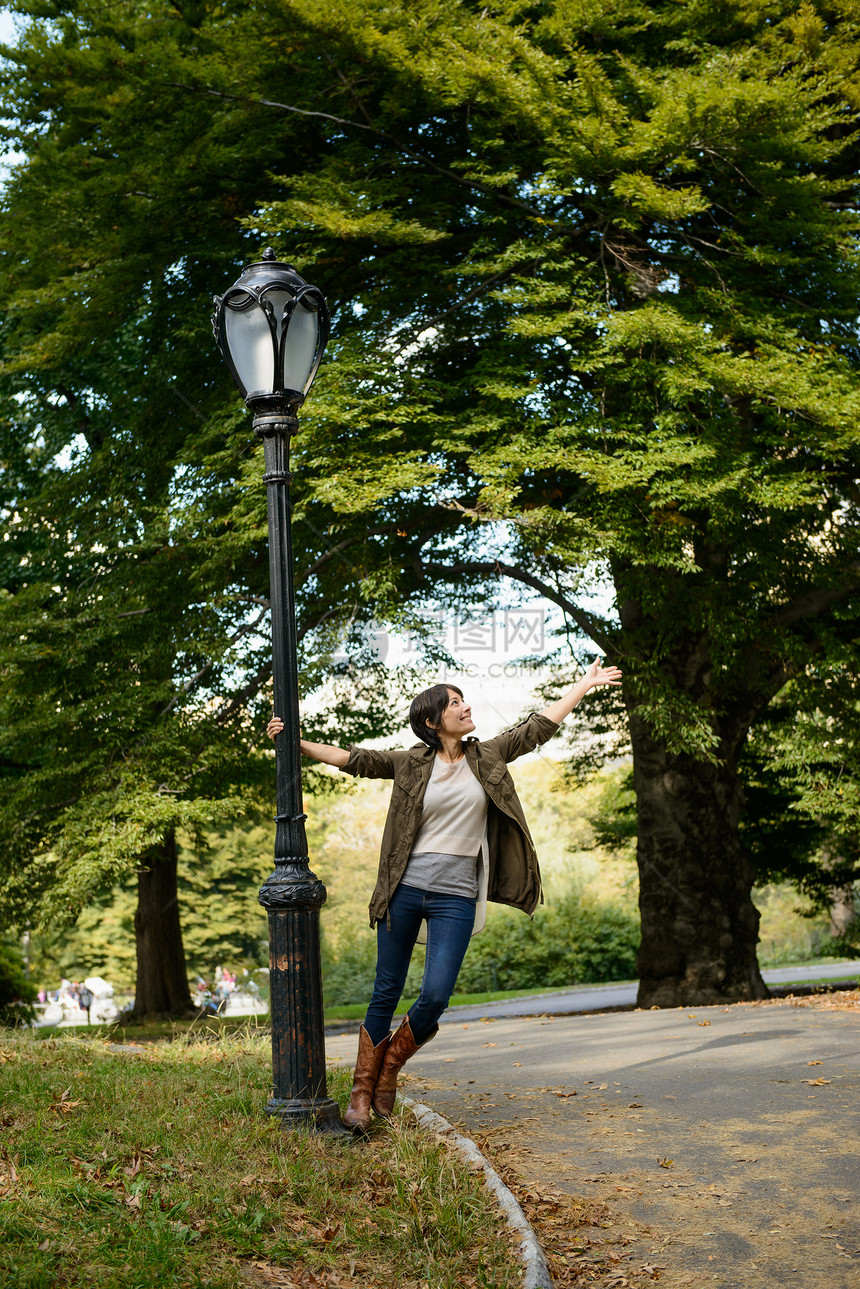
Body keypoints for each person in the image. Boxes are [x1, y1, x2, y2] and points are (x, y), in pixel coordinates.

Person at [267, 657, 622, 1132]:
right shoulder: (411, 764)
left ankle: (389, 1065)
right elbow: (355, 759)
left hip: (456, 895)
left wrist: (585, 682)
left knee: (435, 995)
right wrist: (296, 742)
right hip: (405, 889)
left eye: (463, 700)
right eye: (455, 703)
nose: (466, 707)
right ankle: (360, 1092)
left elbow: (538, 727)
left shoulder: (488, 755)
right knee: (385, 990)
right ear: (433, 721)